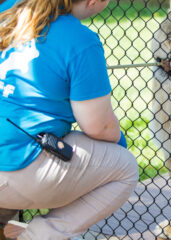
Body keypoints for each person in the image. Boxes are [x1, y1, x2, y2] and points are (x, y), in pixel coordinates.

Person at [0, 0, 139, 239]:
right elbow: (99, 126)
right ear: (96, 2)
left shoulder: (8, 9)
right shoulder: (79, 38)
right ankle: (38, 236)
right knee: (124, 166)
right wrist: (119, 143)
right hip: (15, 166)